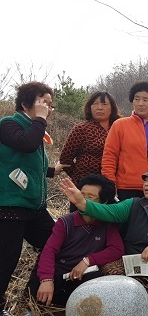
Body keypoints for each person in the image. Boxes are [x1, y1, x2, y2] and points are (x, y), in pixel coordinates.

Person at [0, 82, 68, 315]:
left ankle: (35, 294)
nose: (48, 108)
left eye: (50, 104)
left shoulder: (33, 128)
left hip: (33, 208)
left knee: (57, 242)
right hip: (9, 206)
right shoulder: (8, 124)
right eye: (43, 102)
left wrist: (51, 170)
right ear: (25, 103)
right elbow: (25, 145)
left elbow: (25, 163)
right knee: (6, 261)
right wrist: (40, 119)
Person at [60, 165, 148, 283]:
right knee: (108, 269)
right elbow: (108, 211)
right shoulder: (133, 204)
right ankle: (134, 288)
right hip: (132, 261)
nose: (146, 184)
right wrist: (82, 204)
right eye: (145, 181)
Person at [27, 174, 124, 307]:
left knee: (96, 284)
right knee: (40, 289)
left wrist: (88, 260)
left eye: (90, 197)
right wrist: (46, 280)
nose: (82, 199)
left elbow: (117, 249)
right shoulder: (65, 222)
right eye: (81, 194)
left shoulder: (107, 224)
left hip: (82, 278)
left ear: (104, 202)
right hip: (58, 275)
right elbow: (49, 250)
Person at [102, 81, 148, 201]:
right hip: (126, 188)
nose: (140, 103)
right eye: (137, 99)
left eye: (145, 100)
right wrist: (110, 183)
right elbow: (109, 157)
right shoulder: (120, 125)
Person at [59, 91, 121, 185]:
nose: (99, 108)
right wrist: (78, 175)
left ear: (112, 108)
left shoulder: (119, 128)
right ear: (90, 107)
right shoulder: (81, 129)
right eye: (95, 104)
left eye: (104, 104)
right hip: (86, 186)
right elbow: (65, 159)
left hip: (114, 183)